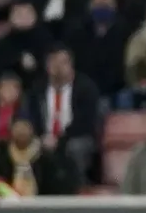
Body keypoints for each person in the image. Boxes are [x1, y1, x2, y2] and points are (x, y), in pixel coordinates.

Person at [22, 45, 99, 193]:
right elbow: (32, 118)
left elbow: (86, 123)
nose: (58, 68)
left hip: (74, 137)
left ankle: (76, 191)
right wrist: (41, 137)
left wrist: (60, 138)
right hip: (43, 138)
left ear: (71, 64)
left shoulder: (86, 88)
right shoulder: (37, 89)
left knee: (76, 148)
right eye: (53, 63)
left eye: (62, 63)